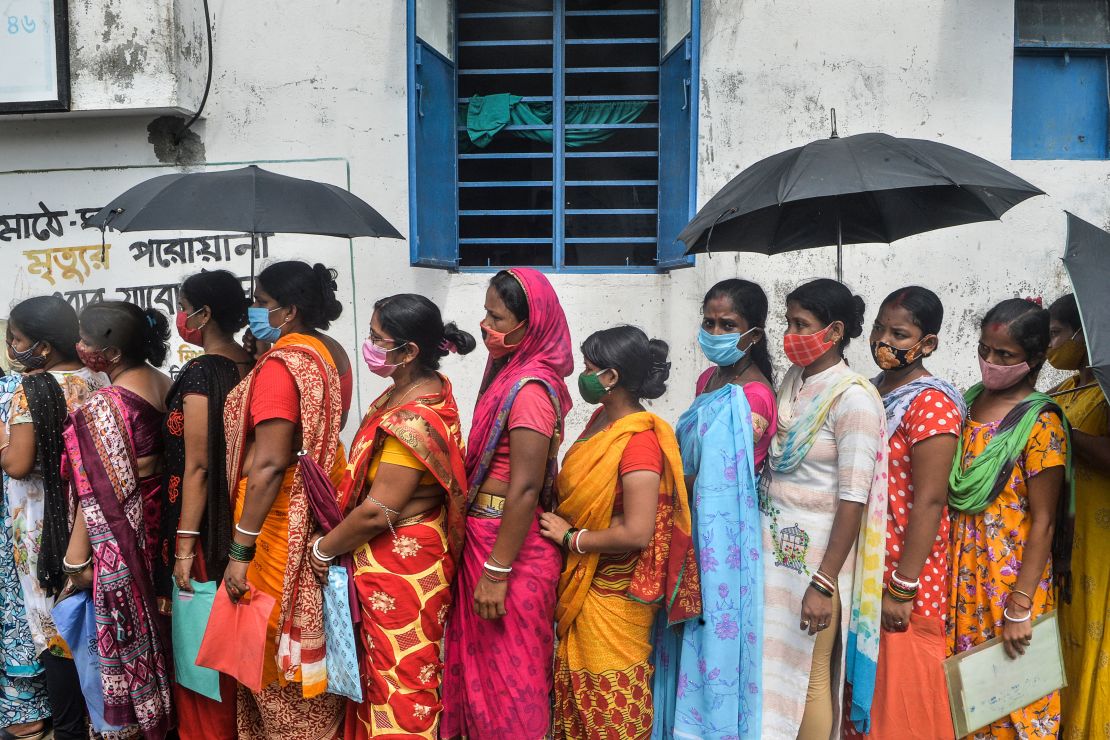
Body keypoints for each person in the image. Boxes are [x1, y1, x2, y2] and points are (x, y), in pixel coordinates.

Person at [307, 294, 474, 739]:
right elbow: (418, 492)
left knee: (401, 680)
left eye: (379, 340)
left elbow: (379, 512)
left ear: (410, 350)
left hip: (403, 567)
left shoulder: (413, 420)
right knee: (377, 676)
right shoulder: (418, 388)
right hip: (402, 549)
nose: (370, 346)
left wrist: (323, 548)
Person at [538, 326, 700, 740]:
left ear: (611, 378)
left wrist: (571, 538)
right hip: (582, 581)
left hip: (613, 592)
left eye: (591, 368)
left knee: (612, 705)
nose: (584, 375)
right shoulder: (600, 420)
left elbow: (637, 532)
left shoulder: (640, 442)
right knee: (575, 701)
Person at [441, 268, 572, 739]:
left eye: (496, 316)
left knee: (512, 688)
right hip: (487, 541)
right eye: (486, 313)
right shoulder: (507, 375)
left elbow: (524, 488)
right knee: (481, 682)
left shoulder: (531, 390)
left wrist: (497, 572)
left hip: (507, 552)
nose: (484, 325)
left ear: (529, 324)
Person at [222, 261, 350, 738]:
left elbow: (271, 463)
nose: (252, 310)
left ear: (288, 310)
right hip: (317, 512)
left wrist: (240, 550)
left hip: (276, 525)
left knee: (272, 638)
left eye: (259, 301)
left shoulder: (280, 368)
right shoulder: (329, 353)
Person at [761, 278, 886, 739]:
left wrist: (823, 582)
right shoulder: (794, 383)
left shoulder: (853, 398)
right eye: (788, 322)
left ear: (833, 332)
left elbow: (855, 498)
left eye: (802, 324)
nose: (791, 333)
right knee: (774, 673)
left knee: (809, 679)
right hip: (775, 555)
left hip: (816, 563)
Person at [651, 278, 776, 739]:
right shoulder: (710, 380)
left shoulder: (754, 396)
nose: (715, 331)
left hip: (721, 538)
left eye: (728, 324)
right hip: (689, 522)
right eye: (709, 322)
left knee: (712, 638)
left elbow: (721, 477)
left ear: (753, 335)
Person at [844, 287, 965, 739]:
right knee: (868, 696)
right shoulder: (871, 391)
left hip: (905, 571)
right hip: (867, 565)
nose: (882, 341)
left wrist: (903, 585)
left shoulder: (931, 402)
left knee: (904, 699)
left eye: (899, 333)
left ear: (927, 343)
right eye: (878, 328)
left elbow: (931, 500)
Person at [947, 298, 1071, 739]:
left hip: (1012, 581)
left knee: (1015, 703)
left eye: (1004, 355)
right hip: (963, 575)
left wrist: (1020, 607)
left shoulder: (1041, 423)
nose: (989, 362)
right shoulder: (969, 402)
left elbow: (1044, 523)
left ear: (1035, 359)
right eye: (984, 350)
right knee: (966, 700)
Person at [62, 301, 174, 738]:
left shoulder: (103, 406)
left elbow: (92, 495)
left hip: (122, 537)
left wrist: (75, 562)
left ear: (108, 353)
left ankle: (138, 722)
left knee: (128, 638)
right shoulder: (166, 383)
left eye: (86, 340)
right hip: (159, 522)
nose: (81, 347)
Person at [0, 297, 106, 740]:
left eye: (18, 339)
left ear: (42, 347)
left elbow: (18, 463)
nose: (12, 347)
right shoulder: (96, 378)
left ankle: (69, 725)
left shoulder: (32, 388)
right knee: (90, 620)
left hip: (43, 521)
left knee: (53, 623)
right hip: (89, 515)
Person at [157, 270, 253, 739]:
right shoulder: (254, 362)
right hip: (242, 523)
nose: (180, 315)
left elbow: (196, 466)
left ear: (204, 314)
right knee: (234, 645)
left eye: (183, 304)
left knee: (202, 652)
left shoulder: (201, 372)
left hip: (199, 528)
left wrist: (182, 547)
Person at [1050, 293, 1110, 738]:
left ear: (1084, 332)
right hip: (1063, 530)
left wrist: (1068, 433)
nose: (1052, 344)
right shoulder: (1068, 388)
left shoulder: (1106, 393)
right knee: (1063, 634)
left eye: (1057, 333)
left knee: (1094, 634)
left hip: (1098, 528)